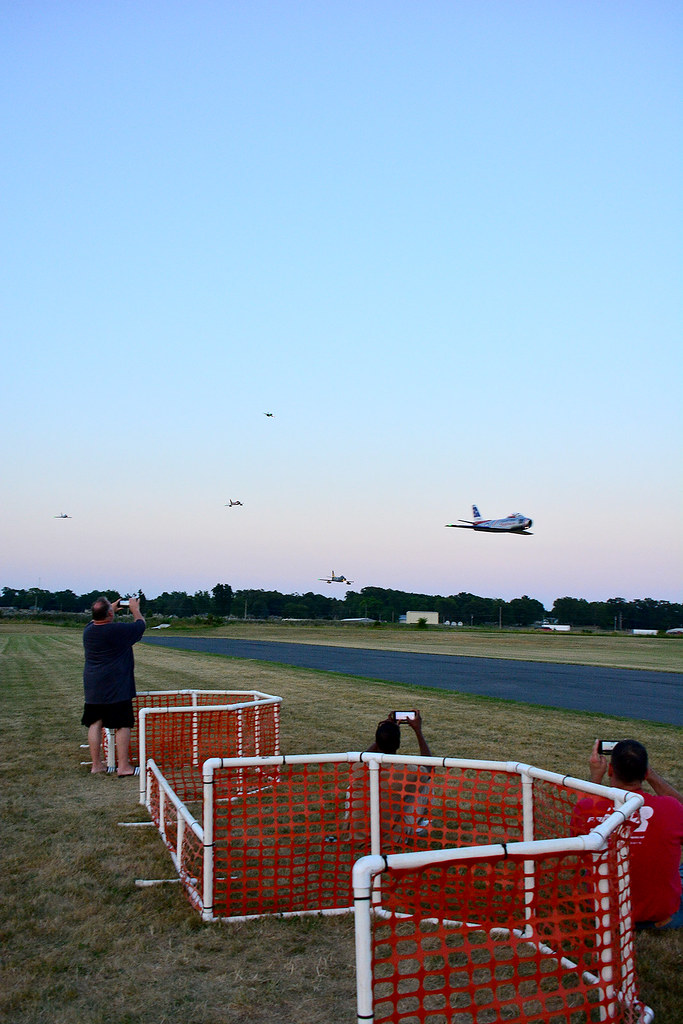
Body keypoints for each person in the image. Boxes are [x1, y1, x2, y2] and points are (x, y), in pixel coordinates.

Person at [573, 739, 683, 928]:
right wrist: (653, 777)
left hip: (607, 913)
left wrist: (595, 778)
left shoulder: (586, 809)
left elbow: (580, 843)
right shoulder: (671, 808)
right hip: (662, 916)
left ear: (610, 771)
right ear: (645, 773)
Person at [82, 596, 146, 777]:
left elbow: (95, 620)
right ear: (109, 613)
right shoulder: (116, 630)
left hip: (93, 685)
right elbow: (140, 626)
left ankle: (97, 765)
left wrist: (110, 609)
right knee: (123, 723)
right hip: (116, 685)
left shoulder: (88, 630)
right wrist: (134, 609)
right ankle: (124, 766)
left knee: (94, 722)